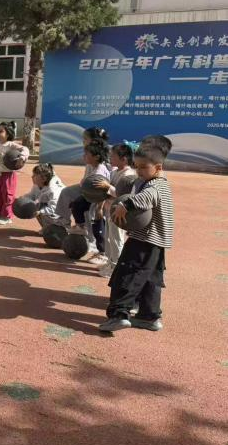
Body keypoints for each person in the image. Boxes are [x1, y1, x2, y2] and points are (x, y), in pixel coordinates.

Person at [99, 138, 174, 333]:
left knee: (127, 275)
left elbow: (146, 198)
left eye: (143, 167)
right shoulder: (162, 183)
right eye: (137, 166)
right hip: (157, 243)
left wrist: (125, 204)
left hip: (143, 240)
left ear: (158, 167)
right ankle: (149, 317)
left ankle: (118, 315)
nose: (139, 171)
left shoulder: (155, 185)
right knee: (151, 280)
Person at [95, 143, 138, 277]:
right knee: (109, 238)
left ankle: (116, 267)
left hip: (120, 213)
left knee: (116, 239)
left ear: (124, 159)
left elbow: (123, 194)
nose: (110, 158)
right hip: (110, 209)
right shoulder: (114, 172)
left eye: (113, 156)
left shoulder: (129, 175)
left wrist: (107, 186)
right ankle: (110, 262)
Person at [70, 140, 112, 265]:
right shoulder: (93, 167)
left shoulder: (100, 171)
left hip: (99, 202)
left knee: (99, 226)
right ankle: (81, 226)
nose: (84, 156)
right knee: (76, 204)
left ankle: (103, 253)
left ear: (96, 157)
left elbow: (103, 191)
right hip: (91, 198)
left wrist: (100, 208)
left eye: (87, 154)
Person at [0, 122, 30, 225]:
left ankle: (7, 217)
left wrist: (22, 157)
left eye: (1, 131)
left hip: (8, 175)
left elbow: (25, 149)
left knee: (7, 196)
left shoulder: (11, 145)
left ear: (8, 133)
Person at [21, 163, 65, 233]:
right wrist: (22, 198)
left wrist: (40, 212)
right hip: (53, 208)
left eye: (35, 175)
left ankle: (59, 228)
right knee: (35, 206)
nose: (32, 176)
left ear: (43, 179)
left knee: (39, 209)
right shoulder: (37, 185)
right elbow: (32, 196)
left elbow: (55, 208)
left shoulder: (52, 190)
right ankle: (47, 228)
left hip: (61, 211)